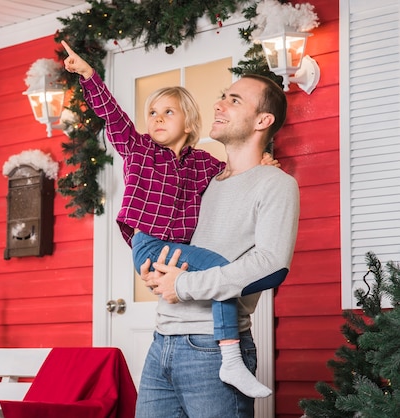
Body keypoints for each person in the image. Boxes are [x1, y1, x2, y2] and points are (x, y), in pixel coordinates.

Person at [61, 40, 280, 399]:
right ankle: (231, 357)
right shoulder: (139, 149)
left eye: (168, 112)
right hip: (148, 243)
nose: (157, 119)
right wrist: (88, 75)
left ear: (190, 122)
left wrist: (265, 163)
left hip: (178, 251)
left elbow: (239, 170)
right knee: (219, 270)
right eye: (152, 113)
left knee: (217, 276)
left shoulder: (205, 164)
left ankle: (228, 357)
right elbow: (112, 116)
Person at [137, 74, 300, 417]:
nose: (219, 104)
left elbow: (271, 265)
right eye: (223, 96)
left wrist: (183, 285)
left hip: (213, 348)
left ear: (262, 121)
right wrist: (158, 273)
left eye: (235, 100)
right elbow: (172, 238)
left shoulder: (276, 184)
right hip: (162, 341)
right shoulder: (202, 181)